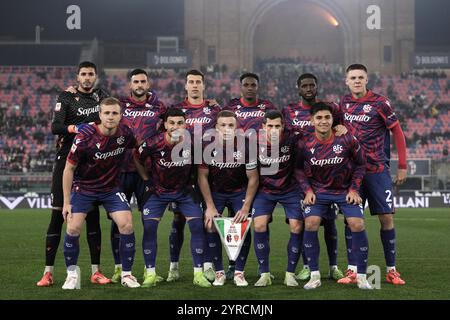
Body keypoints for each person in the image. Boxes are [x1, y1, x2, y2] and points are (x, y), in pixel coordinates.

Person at [37, 61, 110, 287]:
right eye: (84, 74)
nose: (87, 78)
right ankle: (48, 272)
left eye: (91, 74)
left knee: (93, 215)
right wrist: (76, 127)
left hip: (91, 160)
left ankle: (95, 271)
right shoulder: (66, 97)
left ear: (96, 77)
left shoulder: (101, 96)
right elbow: (55, 127)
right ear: (77, 77)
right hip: (67, 157)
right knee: (58, 215)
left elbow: (111, 116)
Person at [338, 64, 407, 285]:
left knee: (386, 219)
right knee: (352, 221)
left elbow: (397, 132)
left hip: (377, 171)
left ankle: (391, 270)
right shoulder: (343, 103)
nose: (357, 81)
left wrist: (402, 165)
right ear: (346, 81)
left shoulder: (380, 103)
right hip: (352, 173)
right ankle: (352, 270)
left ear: (366, 80)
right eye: (353, 77)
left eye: (360, 77)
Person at [61, 97, 140, 289]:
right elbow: (68, 169)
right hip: (84, 188)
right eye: (107, 113)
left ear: (121, 116)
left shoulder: (126, 133)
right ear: (100, 115)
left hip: (111, 188)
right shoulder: (85, 136)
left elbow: (136, 152)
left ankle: (127, 275)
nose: (110, 117)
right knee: (72, 228)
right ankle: (71, 274)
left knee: (127, 225)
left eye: (114, 113)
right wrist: (66, 202)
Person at [297, 102, 372, 290]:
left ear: (333, 119)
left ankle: (361, 276)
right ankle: (314, 276)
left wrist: (354, 189)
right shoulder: (304, 143)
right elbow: (297, 169)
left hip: (344, 190)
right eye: (319, 118)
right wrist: (307, 190)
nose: (323, 121)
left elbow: (361, 165)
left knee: (357, 223)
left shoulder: (347, 139)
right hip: (319, 191)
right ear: (312, 120)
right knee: (311, 222)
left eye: (327, 117)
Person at [134, 108, 211, 288]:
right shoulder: (153, 143)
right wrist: (146, 179)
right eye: (172, 123)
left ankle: (198, 273)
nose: (176, 127)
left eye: (180, 123)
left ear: (185, 124)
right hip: (158, 191)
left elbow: (200, 170)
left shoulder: (193, 143)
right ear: (165, 124)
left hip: (184, 191)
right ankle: (151, 274)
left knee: (196, 226)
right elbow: (136, 157)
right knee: (150, 227)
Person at [282, 73, 346, 281]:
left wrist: (341, 127)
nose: (308, 88)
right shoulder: (289, 111)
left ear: (317, 87)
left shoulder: (330, 109)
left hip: (327, 174)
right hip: (299, 175)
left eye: (312, 85)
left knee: (329, 223)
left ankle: (333, 266)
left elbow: (343, 130)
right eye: (305, 85)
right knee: (303, 222)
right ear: (298, 88)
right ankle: (309, 266)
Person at [109, 68, 167, 284]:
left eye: (143, 80)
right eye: (136, 81)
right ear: (130, 84)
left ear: (148, 83)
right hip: (120, 171)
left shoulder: (159, 106)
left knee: (149, 222)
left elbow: (177, 119)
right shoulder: (120, 105)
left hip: (147, 173)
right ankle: (118, 268)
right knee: (118, 223)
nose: (140, 84)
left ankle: (148, 270)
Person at [223, 72, 277, 280]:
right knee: (235, 223)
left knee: (262, 221)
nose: (250, 87)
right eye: (246, 84)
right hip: (235, 170)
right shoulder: (230, 106)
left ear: (258, 86)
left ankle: (264, 267)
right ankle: (233, 265)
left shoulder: (268, 106)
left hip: (260, 170)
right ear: (240, 87)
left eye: (253, 84)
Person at [169, 69, 221, 283]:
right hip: (184, 171)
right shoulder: (177, 111)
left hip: (209, 169)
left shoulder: (214, 110)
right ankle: (174, 266)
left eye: (198, 82)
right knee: (178, 219)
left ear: (203, 85)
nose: (195, 85)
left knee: (209, 217)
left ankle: (208, 266)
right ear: (186, 85)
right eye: (191, 82)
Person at [197, 110, 259, 286]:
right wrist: (209, 206)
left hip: (239, 191)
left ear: (236, 127)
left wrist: (246, 207)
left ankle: (239, 272)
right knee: (210, 225)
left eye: (230, 125)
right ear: (216, 128)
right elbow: (202, 176)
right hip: (216, 191)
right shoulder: (206, 146)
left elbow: (253, 178)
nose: (227, 129)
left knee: (243, 224)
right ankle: (219, 273)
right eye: (223, 125)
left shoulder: (247, 146)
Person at [252, 110, 303, 287]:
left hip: (290, 189)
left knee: (297, 225)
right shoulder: (253, 141)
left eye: (277, 126)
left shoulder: (292, 138)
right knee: (258, 224)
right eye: (270, 126)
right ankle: (264, 273)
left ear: (283, 126)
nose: (274, 130)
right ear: (263, 127)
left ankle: (290, 273)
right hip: (265, 190)